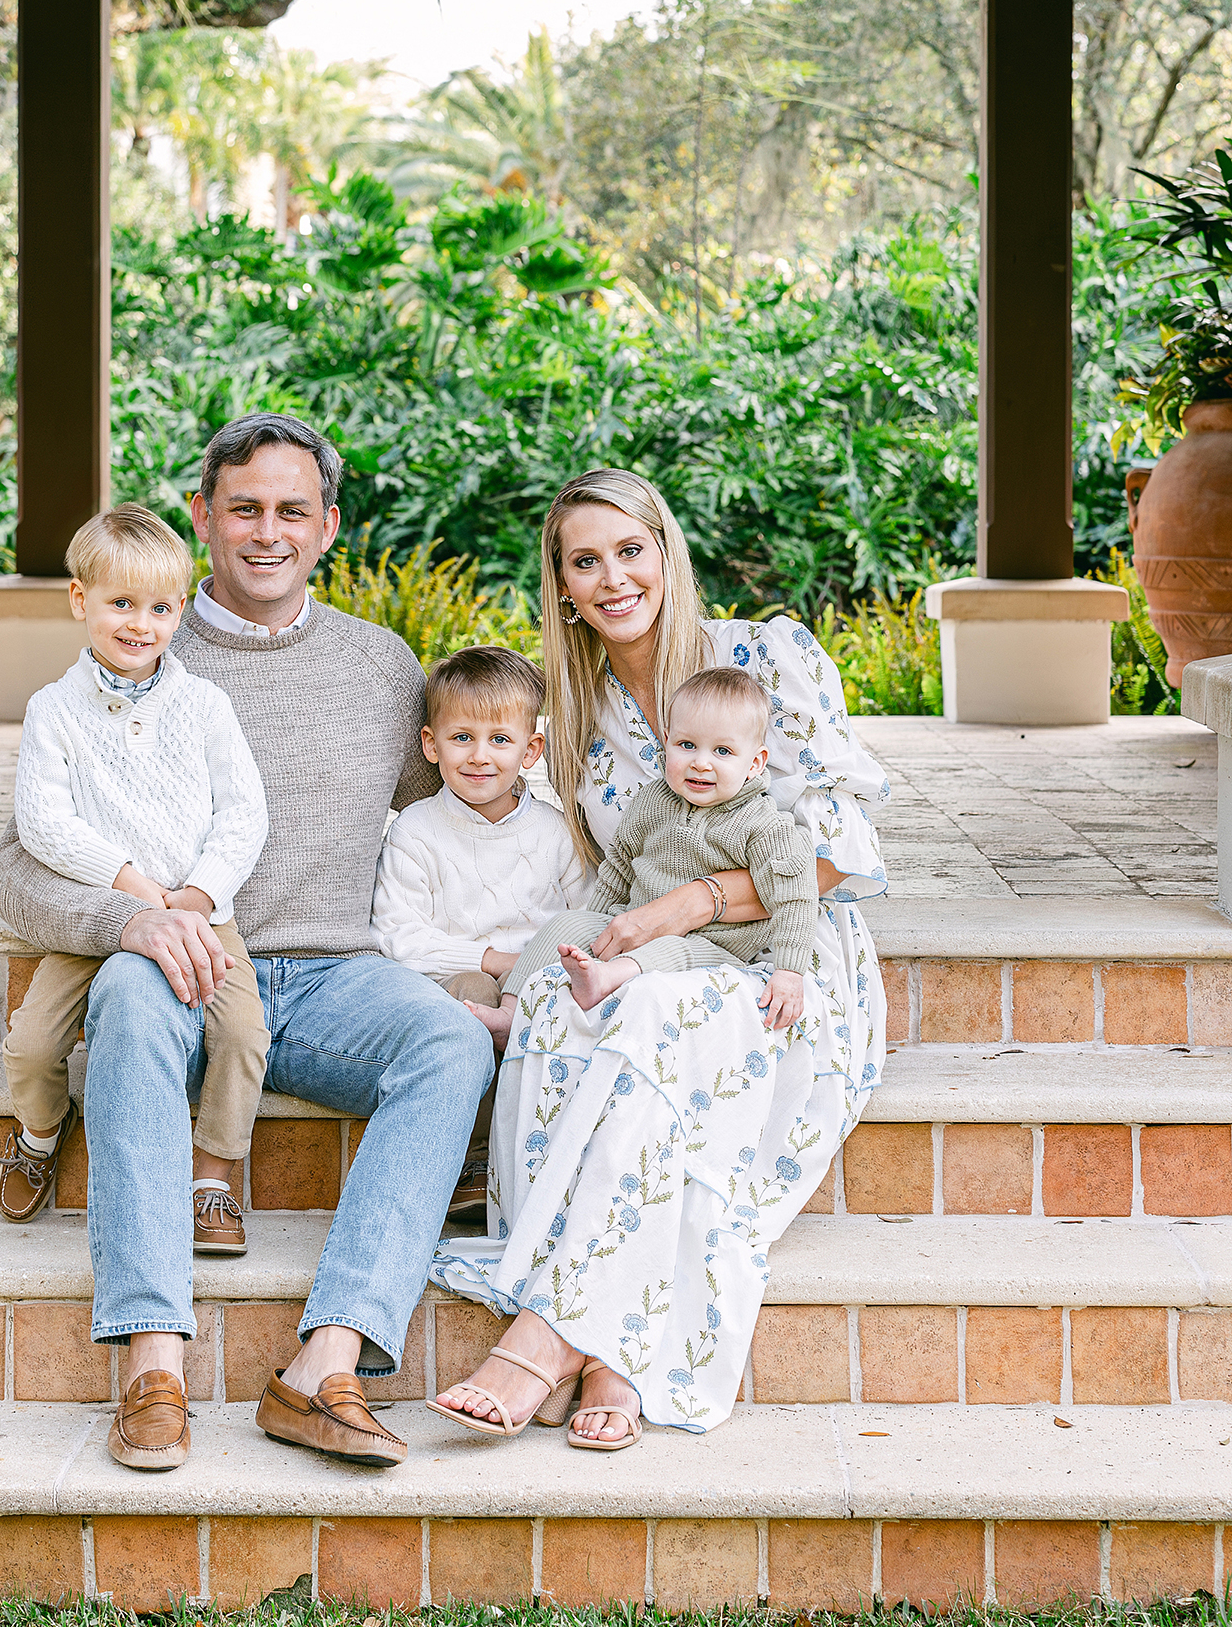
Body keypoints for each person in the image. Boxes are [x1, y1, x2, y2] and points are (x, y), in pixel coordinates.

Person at [0, 413, 496, 1474]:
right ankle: (152, 1364)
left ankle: (327, 1364)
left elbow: (451, 814)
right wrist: (134, 921)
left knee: (450, 1044)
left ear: (328, 528)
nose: (269, 532)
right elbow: (18, 870)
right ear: (203, 517)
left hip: (332, 974)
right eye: (246, 508)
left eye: (293, 511)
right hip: (172, 968)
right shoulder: (129, 651)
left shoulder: (380, 667)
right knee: (131, 997)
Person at [430, 466, 888, 1451]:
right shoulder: (574, 714)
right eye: (585, 561)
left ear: (666, 551)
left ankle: (545, 1341)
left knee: (638, 1016)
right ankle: (612, 1360)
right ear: (562, 584)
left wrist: (698, 900)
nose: (612, 578)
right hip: (656, 962)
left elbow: (844, 853)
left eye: (630, 550)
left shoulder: (764, 658)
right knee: (574, 1009)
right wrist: (516, 967)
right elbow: (599, 885)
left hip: (782, 959)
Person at [0, 505, 271, 1293]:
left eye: (159, 607)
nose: (141, 624)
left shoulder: (205, 707)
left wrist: (195, 895)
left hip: (203, 912)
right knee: (31, 1044)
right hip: (103, 920)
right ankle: (42, 1134)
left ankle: (212, 1179)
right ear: (80, 600)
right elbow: (44, 822)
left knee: (245, 1034)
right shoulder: (56, 708)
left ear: (181, 610)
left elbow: (244, 812)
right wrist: (133, 891)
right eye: (121, 604)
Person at [468, 663, 815, 1044]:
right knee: (564, 927)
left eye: (722, 751)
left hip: (713, 945)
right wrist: (596, 928)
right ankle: (510, 1011)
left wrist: (789, 971)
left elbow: (794, 896)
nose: (701, 762)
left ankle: (604, 980)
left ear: (754, 763)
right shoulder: (654, 800)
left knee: (672, 949)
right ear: (666, 741)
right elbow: (619, 865)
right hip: (635, 921)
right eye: (687, 745)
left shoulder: (763, 823)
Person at [370, 645, 587, 1213]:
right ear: (430, 744)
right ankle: (474, 1156)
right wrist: (494, 962)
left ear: (531, 749)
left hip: (545, 985)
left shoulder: (556, 833)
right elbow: (398, 937)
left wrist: (536, 970)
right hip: (449, 993)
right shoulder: (415, 831)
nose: (479, 756)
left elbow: (587, 919)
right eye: (461, 737)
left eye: (499, 738)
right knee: (475, 994)